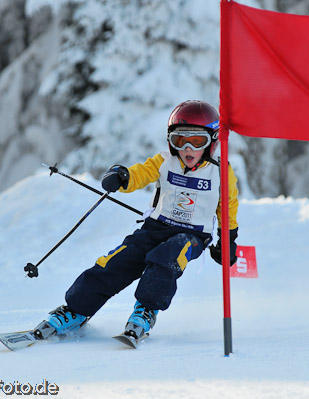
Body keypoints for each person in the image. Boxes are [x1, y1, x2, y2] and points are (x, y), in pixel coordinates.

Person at [33, 100, 239, 341]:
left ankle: (146, 311)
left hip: (192, 236)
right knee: (117, 261)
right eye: (180, 140)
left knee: (169, 255)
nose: (188, 149)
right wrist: (122, 177)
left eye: (197, 141)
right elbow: (141, 173)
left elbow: (227, 207)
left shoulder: (221, 172)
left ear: (212, 141)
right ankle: (76, 310)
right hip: (155, 227)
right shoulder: (165, 162)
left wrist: (228, 241)